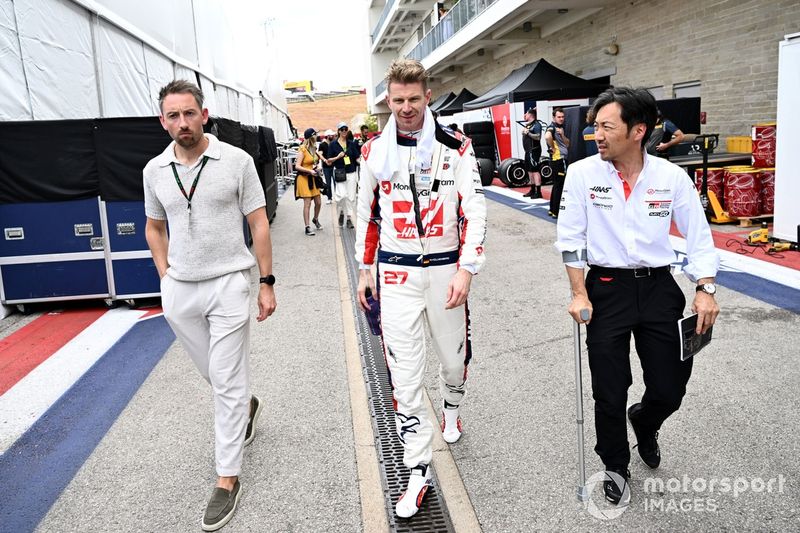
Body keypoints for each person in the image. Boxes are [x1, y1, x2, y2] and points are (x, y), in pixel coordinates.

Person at [555, 87, 720, 506]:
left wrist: (704, 289)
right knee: (609, 388)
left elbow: (699, 238)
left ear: (638, 130)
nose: (597, 136)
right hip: (607, 289)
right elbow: (571, 239)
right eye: (595, 128)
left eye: (606, 127)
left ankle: (646, 422)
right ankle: (614, 463)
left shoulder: (670, 178)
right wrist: (578, 293)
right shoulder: (582, 175)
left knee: (669, 387)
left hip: (660, 288)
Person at [355, 59, 487, 519]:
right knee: (404, 377)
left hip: (446, 270)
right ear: (387, 102)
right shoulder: (374, 151)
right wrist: (363, 269)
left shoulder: (457, 145)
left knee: (453, 361)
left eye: (414, 99)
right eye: (398, 100)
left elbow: (474, 209)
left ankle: (452, 406)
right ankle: (417, 469)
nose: (406, 108)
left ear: (427, 95)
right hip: (396, 274)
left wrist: (467, 268)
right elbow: (367, 213)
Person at [143, 79, 277, 531]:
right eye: (172, 115)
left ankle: (226, 479)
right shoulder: (154, 170)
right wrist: (165, 277)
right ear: (163, 121)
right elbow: (154, 227)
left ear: (204, 114)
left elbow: (258, 223)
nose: (182, 122)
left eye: (189, 113)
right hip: (180, 289)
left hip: (229, 283)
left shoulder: (236, 161)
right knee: (217, 376)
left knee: (225, 378)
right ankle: (245, 404)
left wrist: (266, 281)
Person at [328, 121, 360, 228]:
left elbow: (357, 157)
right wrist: (337, 157)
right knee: (341, 196)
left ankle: (350, 218)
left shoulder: (352, 143)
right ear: (338, 131)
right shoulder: (333, 144)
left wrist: (364, 163)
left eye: (346, 129)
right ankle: (341, 212)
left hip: (351, 172)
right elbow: (329, 160)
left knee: (351, 197)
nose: (344, 131)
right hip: (340, 172)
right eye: (342, 129)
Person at [294, 128, 324, 236]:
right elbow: (297, 166)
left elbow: (313, 162)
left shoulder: (314, 148)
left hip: (313, 178)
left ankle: (315, 219)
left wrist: (316, 168)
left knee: (319, 202)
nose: (316, 137)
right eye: (315, 135)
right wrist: (309, 171)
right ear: (311, 137)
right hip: (304, 178)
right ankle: (307, 227)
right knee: (307, 203)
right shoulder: (302, 148)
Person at [545, 107, 570, 218]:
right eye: (559, 117)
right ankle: (556, 211)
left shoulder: (560, 128)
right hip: (559, 160)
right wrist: (552, 147)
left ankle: (552, 209)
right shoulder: (552, 127)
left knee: (556, 185)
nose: (561, 119)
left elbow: (568, 144)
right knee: (560, 186)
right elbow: (547, 136)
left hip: (559, 160)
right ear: (554, 117)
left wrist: (563, 135)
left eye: (562, 117)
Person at [521, 107, 543, 199]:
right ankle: (532, 190)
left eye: (526, 113)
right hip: (528, 151)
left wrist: (528, 133)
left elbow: (538, 137)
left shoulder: (537, 125)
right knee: (529, 171)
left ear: (530, 115)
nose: (524, 115)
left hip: (534, 150)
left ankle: (538, 192)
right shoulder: (529, 125)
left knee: (535, 170)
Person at [318, 132, 334, 204]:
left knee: (336, 181)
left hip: (334, 166)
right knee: (328, 183)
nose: (332, 136)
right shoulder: (322, 145)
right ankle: (329, 197)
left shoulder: (334, 143)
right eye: (331, 135)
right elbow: (320, 154)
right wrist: (325, 160)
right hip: (326, 167)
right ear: (327, 136)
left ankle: (338, 196)